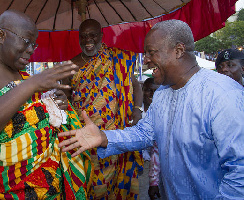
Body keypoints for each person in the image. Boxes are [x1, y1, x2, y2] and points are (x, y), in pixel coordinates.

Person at [58, 19, 244, 199]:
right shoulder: (163, 93)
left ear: (178, 50)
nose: (145, 60)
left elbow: (239, 172)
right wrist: (103, 137)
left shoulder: (223, 95)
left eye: (151, 52)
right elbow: (145, 134)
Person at [0, 10, 93, 199]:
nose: (31, 50)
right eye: (26, 41)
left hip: (47, 185)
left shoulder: (18, 73)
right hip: (4, 188)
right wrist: (32, 84)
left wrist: (54, 104)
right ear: (1, 35)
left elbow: (25, 112)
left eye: (34, 44)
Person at [65, 19, 144, 199]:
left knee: (115, 183)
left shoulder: (116, 58)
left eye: (93, 35)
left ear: (101, 36)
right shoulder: (71, 65)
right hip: (83, 136)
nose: (88, 40)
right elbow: (64, 99)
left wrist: (137, 110)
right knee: (89, 183)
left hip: (114, 136)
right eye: (83, 36)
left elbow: (135, 85)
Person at [139, 78, 160, 200]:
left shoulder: (162, 113)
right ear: (142, 90)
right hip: (137, 166)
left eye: (155, 91)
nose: (151, 94)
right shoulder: (134, 112)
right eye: (148, 90)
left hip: (155, 169)